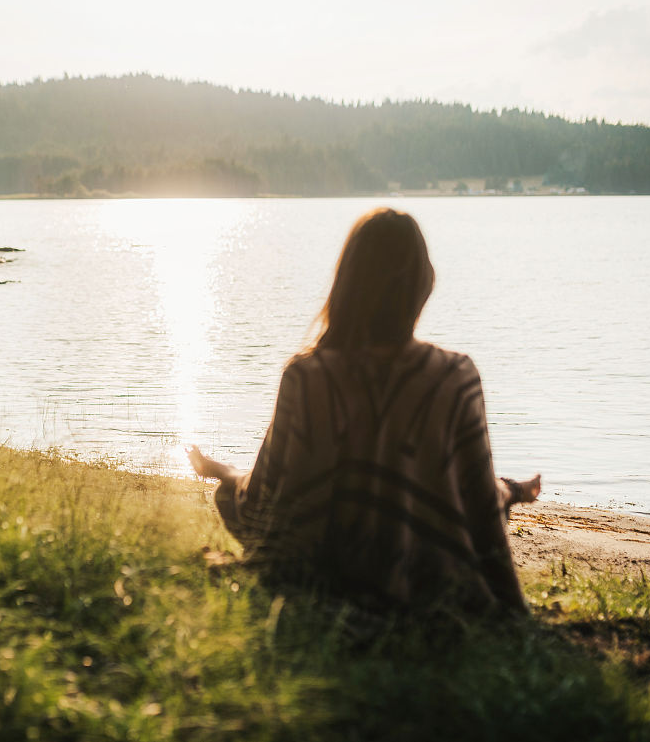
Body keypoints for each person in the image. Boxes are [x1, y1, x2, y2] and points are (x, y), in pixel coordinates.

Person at [188, 208, 540, 615]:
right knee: (482, 496)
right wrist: (515, 612)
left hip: (314, 580)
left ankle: (512, 489)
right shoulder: (455, 376)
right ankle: (512, 490)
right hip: (428, 589)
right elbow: (480, 512)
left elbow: (264, 493)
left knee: (228, 496)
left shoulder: (305, 376)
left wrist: (222, 473)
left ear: (347, 285)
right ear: (422, 285)